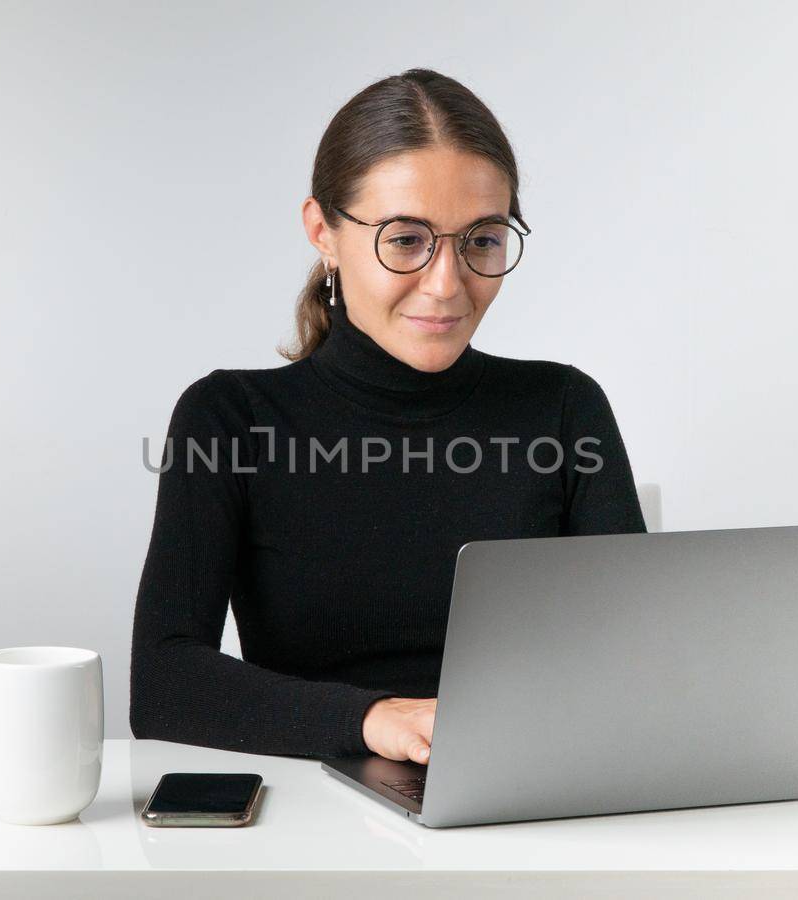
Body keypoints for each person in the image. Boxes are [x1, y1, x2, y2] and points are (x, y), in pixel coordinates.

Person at [129, 68, 646, 766]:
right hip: (323, 816)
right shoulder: (230, 420)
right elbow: (164, 684)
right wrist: (371, 720)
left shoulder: (563, 409)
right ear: (324, 232)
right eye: (406, 240)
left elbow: (638, 664)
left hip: (532, 798)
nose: (447, 283)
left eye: (483, 241)